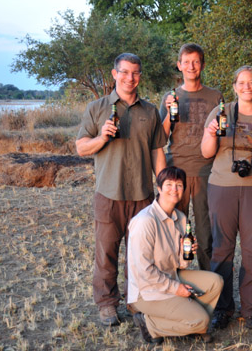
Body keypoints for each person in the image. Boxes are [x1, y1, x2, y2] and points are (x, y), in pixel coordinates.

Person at [76, 53, 167, 326]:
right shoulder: (97, 108)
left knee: (140, 255)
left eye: (136, 73)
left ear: (140, 76)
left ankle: (136, 303)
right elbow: (81, 148)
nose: (130, 78)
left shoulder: (150, 111)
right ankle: (107, 305)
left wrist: (162, 189)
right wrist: (102, 137)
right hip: (108, 194)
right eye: (125, 72)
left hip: (142, 195)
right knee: (106, 254)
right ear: (114, 74)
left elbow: (157, 153)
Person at [201, 65, 252, 330]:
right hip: (221, 186)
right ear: (234, 86)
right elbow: (205, 152)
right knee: (222, 249)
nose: (247, 87)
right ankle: (222, 308)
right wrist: (210, 133)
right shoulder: (220, 112)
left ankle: (251, 308)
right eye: (241, 83)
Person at [127, 166, 224, 344]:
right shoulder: (145, 221)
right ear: (159, 188)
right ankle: (150, 324)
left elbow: (180, 266)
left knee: (215, 282)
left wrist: (185, 254)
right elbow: (144, 272)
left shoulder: (180, 218)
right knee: (202, 320)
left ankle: (191, 322)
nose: (174, 189)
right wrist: (176, 289)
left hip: (170, 277)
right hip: (147, 291)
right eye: (169, 184)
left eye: (179, 185)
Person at [160, 43, 223, 271]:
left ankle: (210, 284)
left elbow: (223, 136)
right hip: (177, 172)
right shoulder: (171, 96)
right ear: (179, 66)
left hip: (207, 171)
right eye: (186, 62)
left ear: (203, 65)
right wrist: (168, 112)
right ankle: (175, 281)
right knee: (175, 231)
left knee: (207, 234)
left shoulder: (215, 96)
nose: (191, 66)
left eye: (196, 61)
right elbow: (161, 137)